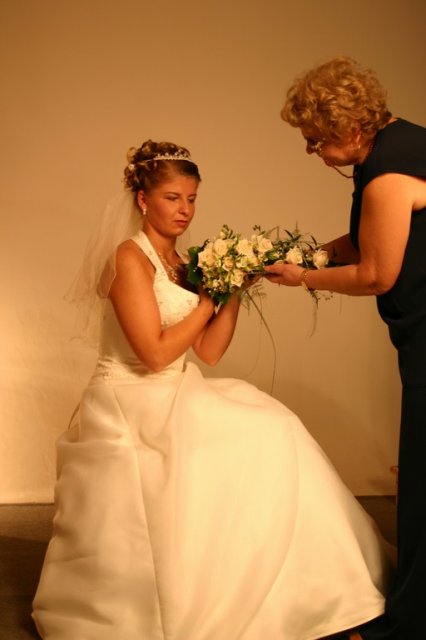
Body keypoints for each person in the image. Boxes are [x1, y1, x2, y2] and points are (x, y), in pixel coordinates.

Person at [32, 139, 392, 640]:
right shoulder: (129, 259)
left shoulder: (183, 262)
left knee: (277, 427)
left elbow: (209, 351)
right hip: (130, 397)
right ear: (143, 199)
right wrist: (207, 300)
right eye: (173, 198)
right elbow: (154, 354)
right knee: (252, 438)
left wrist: (233, 292)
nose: (185, 210)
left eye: (192, 198)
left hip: (177, 390)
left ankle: (313, 592)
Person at [265, 57, 426, 640]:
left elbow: (377, 272)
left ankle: (409, 626)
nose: (314, 152)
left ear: (351, 127)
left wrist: (302, 279)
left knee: (421, 488)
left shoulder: (386, 172)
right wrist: (303, 254)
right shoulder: (398, 146)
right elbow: (365, 239)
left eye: (317, 141)